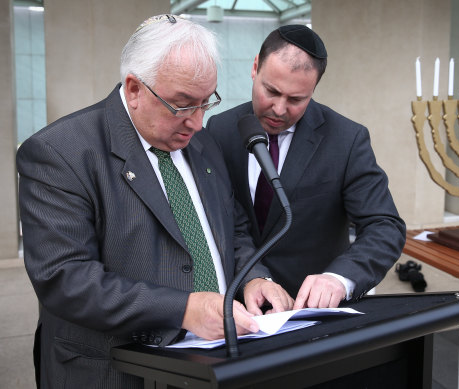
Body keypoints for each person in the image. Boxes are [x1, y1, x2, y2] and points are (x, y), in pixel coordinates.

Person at [17, 15, 293, 388]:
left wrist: (254, 276)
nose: (196, 121)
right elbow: (65, 279)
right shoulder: (61, 152)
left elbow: (233, 229)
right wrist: (183, 309)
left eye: (205, 102)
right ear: (133, 88)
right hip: (112, 371)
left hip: (211, 363)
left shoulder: (201, 142)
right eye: (181, 105)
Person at [207, 25, 407, 312]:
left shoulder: (347, 140)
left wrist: (340, 279)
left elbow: (384, 226)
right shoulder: (220, 128)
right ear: (255, 67)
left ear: (314, 90)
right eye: (271, 91)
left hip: (311, 312)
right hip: (239, 305)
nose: (278, 108)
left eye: (296, 99)